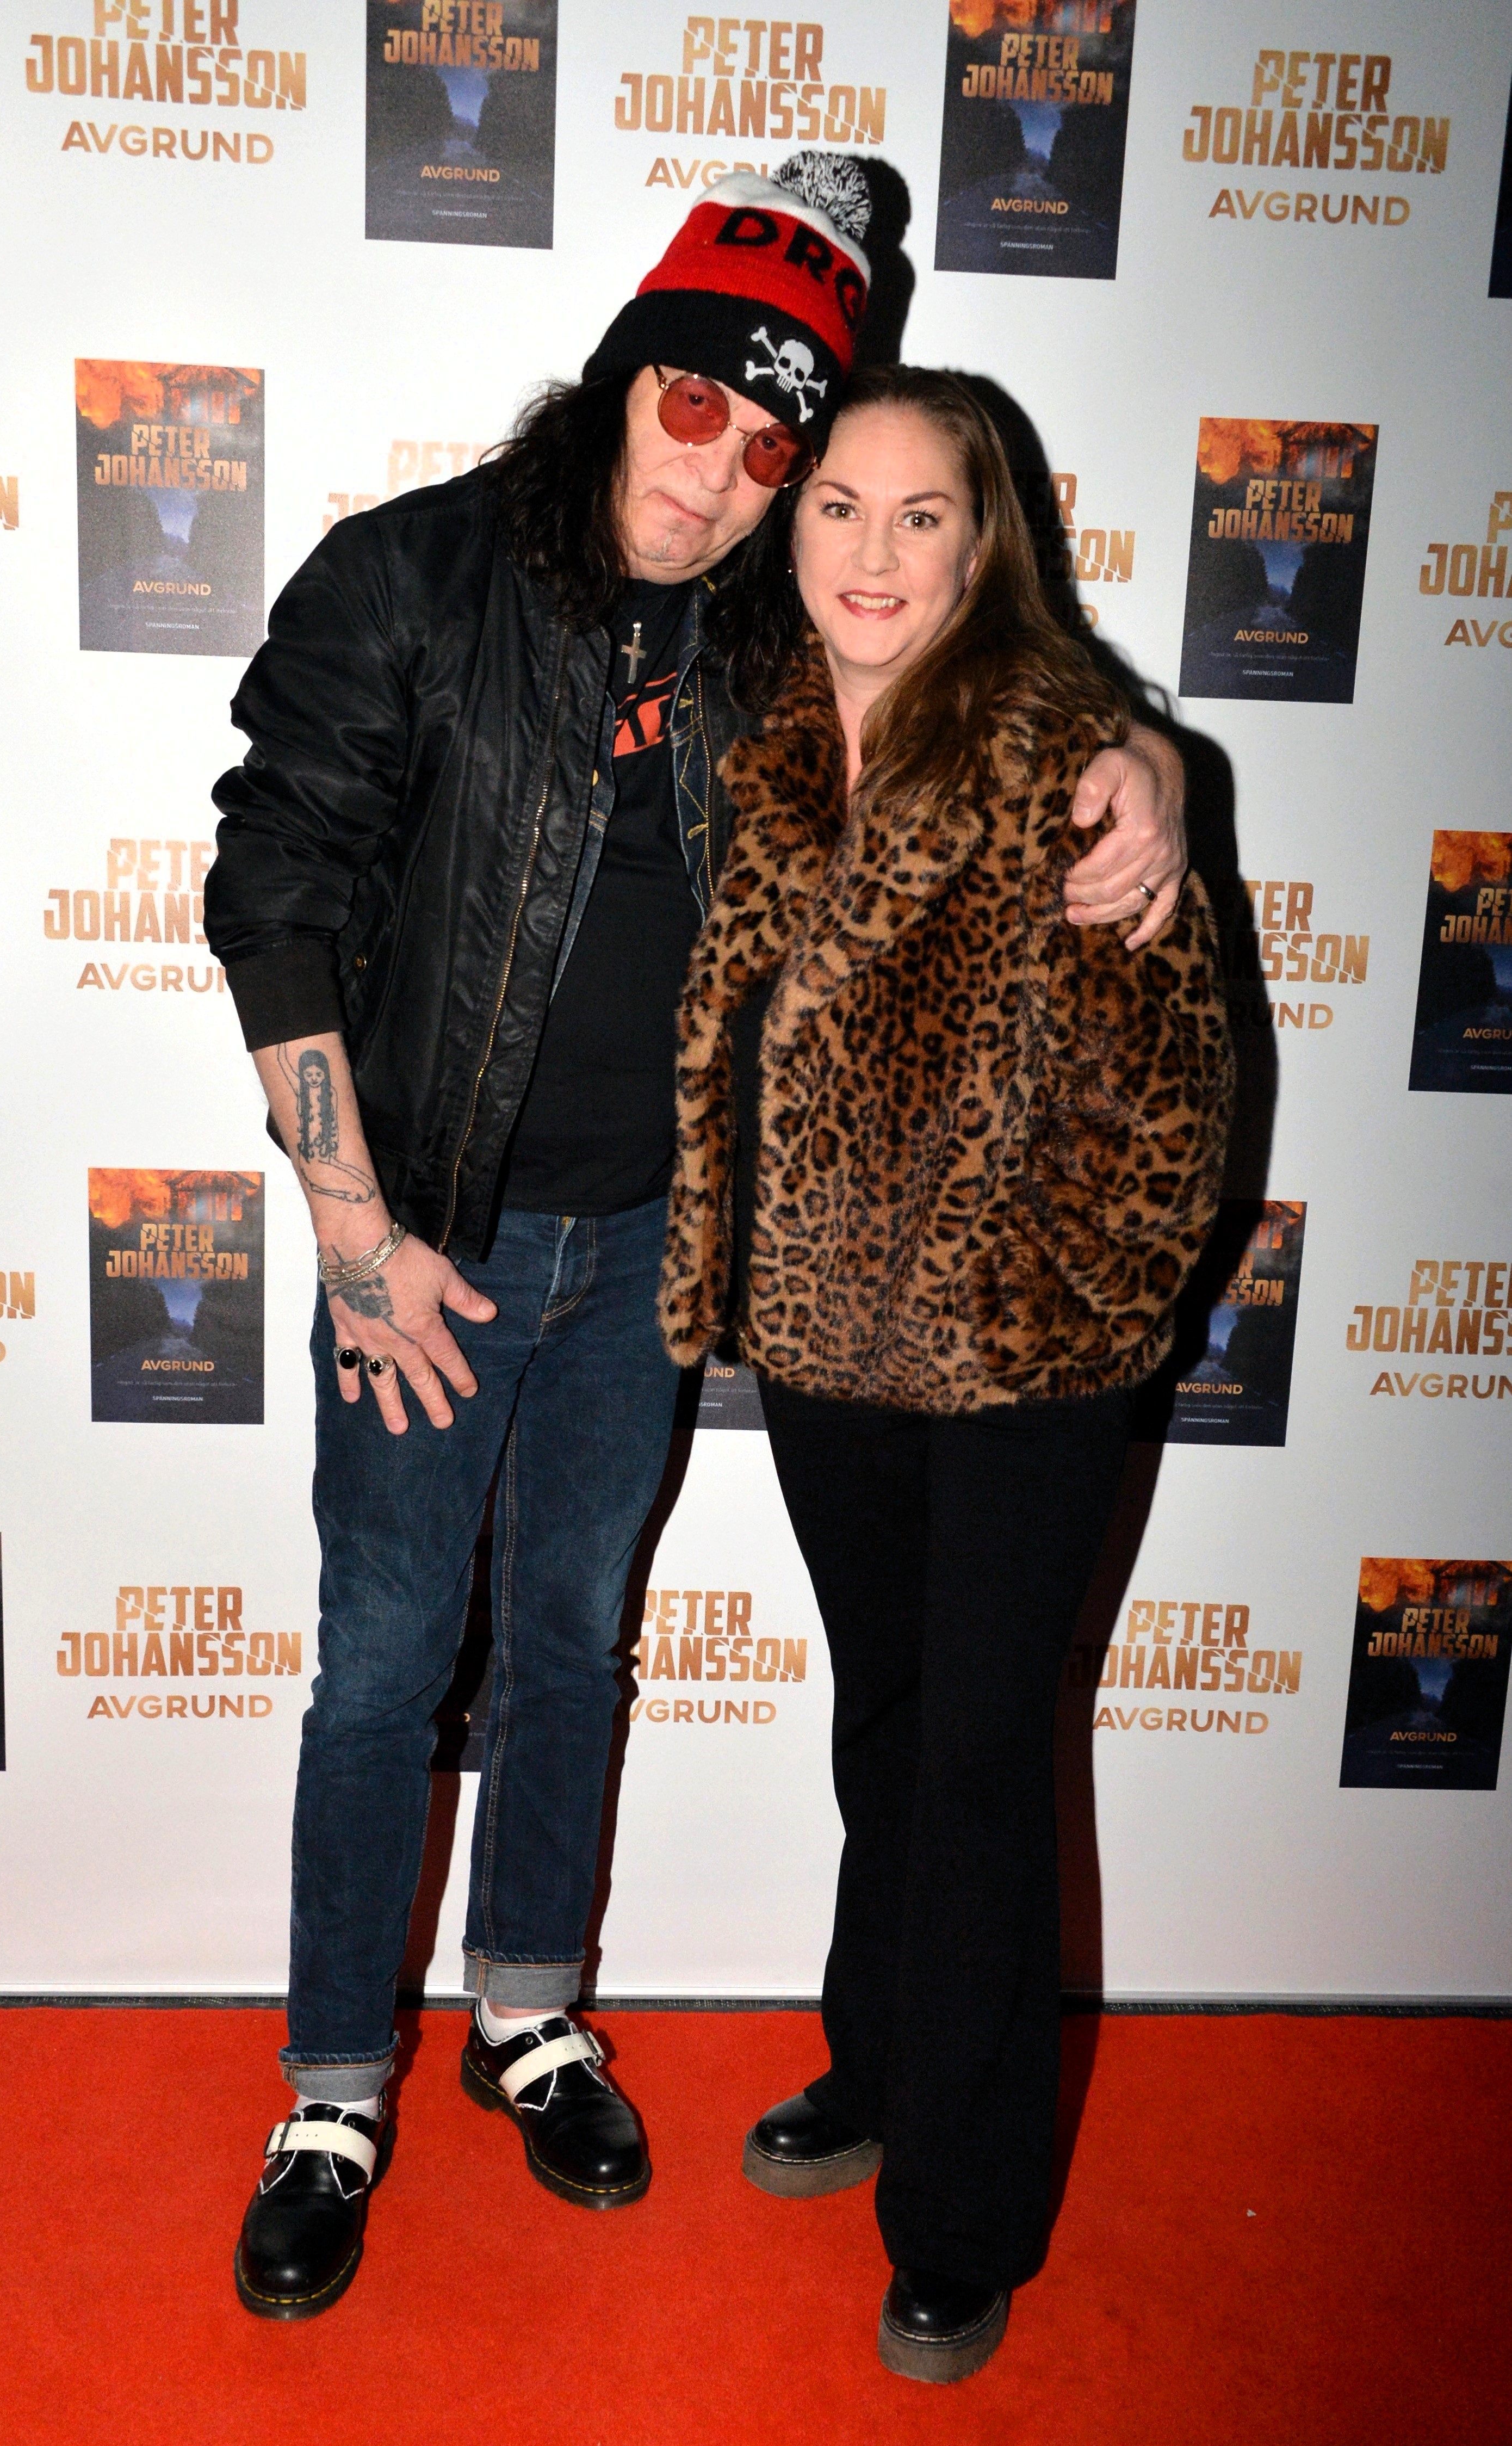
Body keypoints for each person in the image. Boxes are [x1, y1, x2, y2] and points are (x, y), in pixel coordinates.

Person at [203, 159, 1191, 2323]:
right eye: (692, 410)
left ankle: (529, 2012)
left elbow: (982, 659)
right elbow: (273, 886)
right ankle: (335, 2092)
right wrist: (354, 1230)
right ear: (619, 377)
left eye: (773, 449)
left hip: (649, 1248)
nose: (720, 472)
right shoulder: (410, 576)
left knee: (574, 1639)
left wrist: (1146, 757)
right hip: (428, 1240)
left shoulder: (763, 614)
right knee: (386, 1662)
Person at [659, 365, 1234, 2384]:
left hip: (1022, 1371)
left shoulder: (1067, 761)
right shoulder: (759, 746)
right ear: (786, 527)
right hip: (825, 1348)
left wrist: (1047, 1305)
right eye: (837, 507)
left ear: (986, 545)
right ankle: (881, 2063)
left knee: (981, 1766)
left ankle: (963, 2216)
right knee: (890, 1731)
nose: (873, 552)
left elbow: (1177, 1100)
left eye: (921, 515)